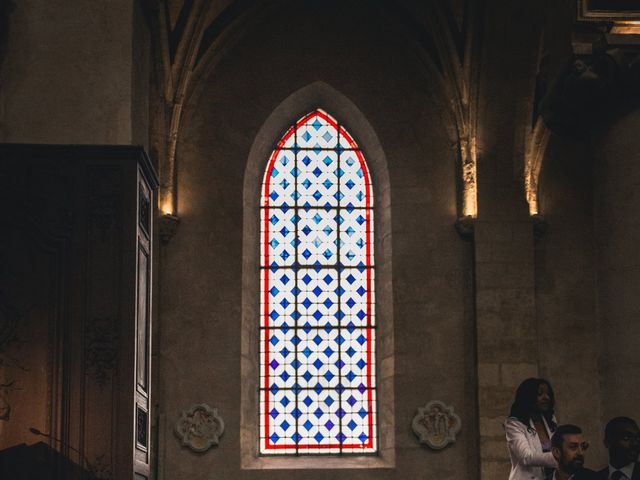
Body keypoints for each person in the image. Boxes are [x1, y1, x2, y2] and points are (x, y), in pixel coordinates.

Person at [505, 378, 558, 480]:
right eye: (540, 394)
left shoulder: (551, 419)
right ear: (528, 397)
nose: (546, 397)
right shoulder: (514, 423)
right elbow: (526, 457)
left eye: (548, 394)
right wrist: (558, 457)